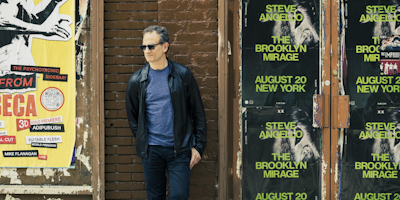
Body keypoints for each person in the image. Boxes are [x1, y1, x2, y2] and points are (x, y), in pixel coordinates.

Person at [125, 25, 207, 200]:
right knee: (155, 197)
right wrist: (144, 141)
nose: (147, 51)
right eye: (143, 47)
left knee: (179, 195)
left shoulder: (183, 75)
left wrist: (198, 147)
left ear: (165, 47)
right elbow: (133, 118)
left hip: (179, 149)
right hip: (151, 150)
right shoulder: (136, 80)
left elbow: (198, 113)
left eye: (151, 46)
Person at [0, 0, 71, 67]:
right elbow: (6, 20)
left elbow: (34, 21)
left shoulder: (21, 4)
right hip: (7, 54)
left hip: (18, 54)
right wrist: (42, 29)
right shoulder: (7, 3)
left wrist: (54, 2)